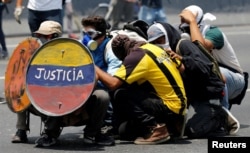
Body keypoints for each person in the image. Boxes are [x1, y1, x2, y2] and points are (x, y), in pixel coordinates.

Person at [147, 21, 240, 138]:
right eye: (154, 43)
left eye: (160, 40)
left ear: (167, 36)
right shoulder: (161, 55)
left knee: (193, 131)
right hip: (192, 96)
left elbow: (204, 68)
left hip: (208, 93)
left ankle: (220, 117)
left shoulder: (183, 45)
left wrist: (182, 59)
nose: (158, 44)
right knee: (172, 132)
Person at [95, 34, 187, 144]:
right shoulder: (156, 48)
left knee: (120, 93)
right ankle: (173, 125)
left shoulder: (136, 57)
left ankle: (155, 128)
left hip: (169, 107)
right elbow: (182, 68)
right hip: (180, 105)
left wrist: (93, 66)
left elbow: (113, 84)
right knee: (125, 132)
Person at [179, 5, 246, 110]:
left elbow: (200, 48)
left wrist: (192, 21)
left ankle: (223, 115)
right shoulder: (184, 35)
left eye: (187, 23)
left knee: (214, 73)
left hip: (235, 80)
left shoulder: (214, 33)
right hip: (212, 75)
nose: (184, 28)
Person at [11, 20, 63, 144]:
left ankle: (50, 133)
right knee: (19, 89)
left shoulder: (66, 51)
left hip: (58, 97)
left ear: (55, 36)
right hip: (38, 94)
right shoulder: (34, 51)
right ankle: (21, 130)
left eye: (45, 36)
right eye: (40, 35)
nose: (41, 38)